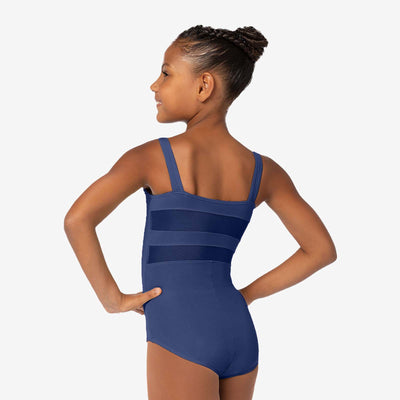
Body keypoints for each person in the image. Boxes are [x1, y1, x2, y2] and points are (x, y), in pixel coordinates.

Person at [64, 25, 337, 400]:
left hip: (181, 334)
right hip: (238, 331)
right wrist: (248, 295)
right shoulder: (264, 171)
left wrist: (112, 299)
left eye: (166, 73)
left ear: (204, 86)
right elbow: (321, 250)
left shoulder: (151, 158)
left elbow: (78, 219)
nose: (154, 86)